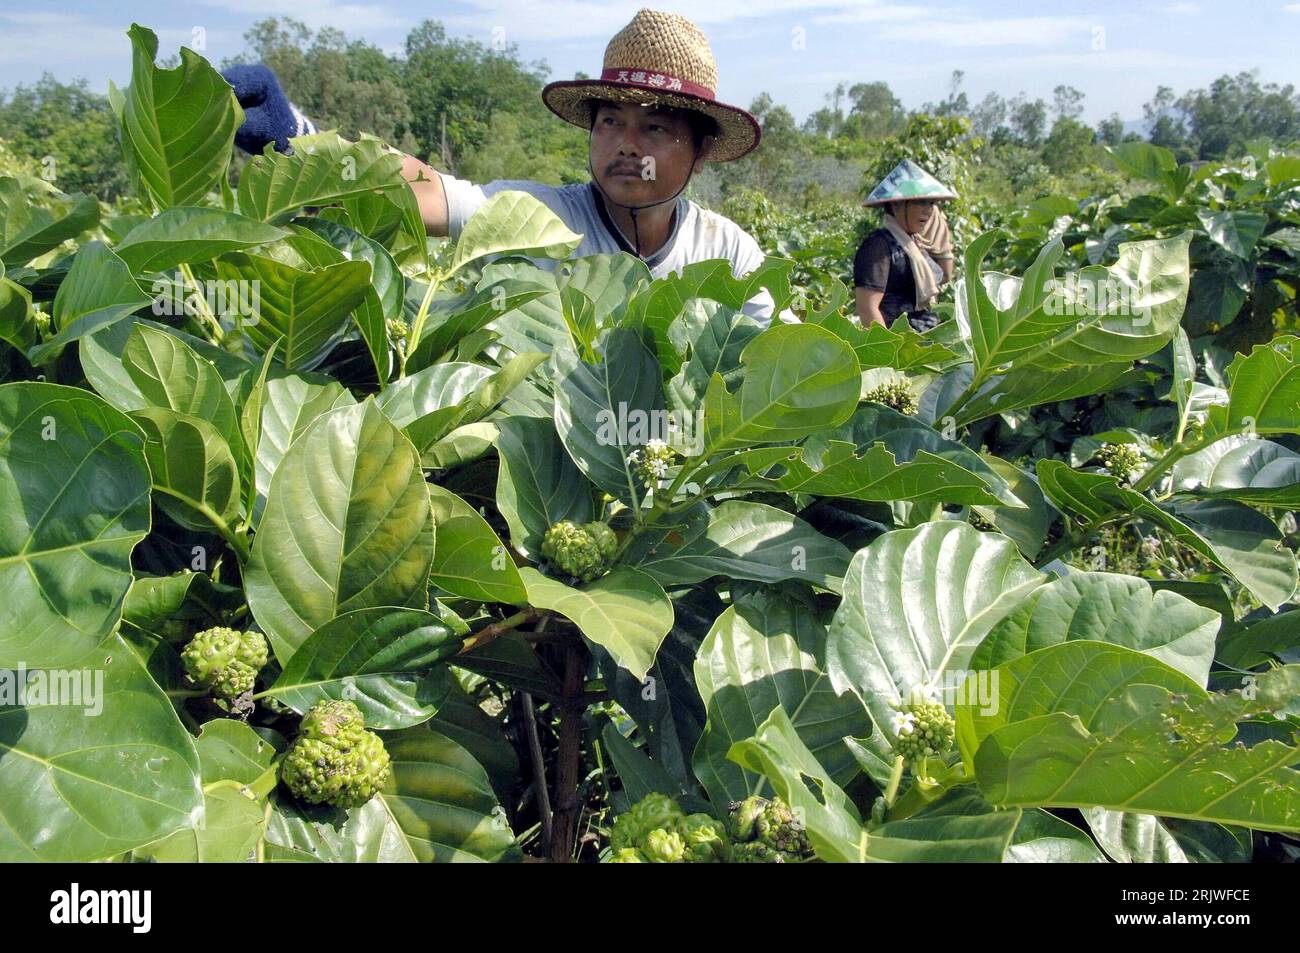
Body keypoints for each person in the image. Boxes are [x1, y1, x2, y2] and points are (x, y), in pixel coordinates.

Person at [222, 9, 795, 326]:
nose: (626, 144)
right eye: (609, 121)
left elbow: (779, 362)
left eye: (655, 128)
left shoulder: (729, 253)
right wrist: (304, 139)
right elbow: (430, 193)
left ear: (698, 152)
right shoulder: (544, 218)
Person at [853, 159, 957, 333]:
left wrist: (941, 235)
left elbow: (945, 275)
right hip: (899, 345)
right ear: (897, 205)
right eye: (921, 202)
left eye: (931, 204)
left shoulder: (917, 244)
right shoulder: (879, 245)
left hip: (925, 341)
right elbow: (867, 309)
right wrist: (888, 351)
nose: (929, 210)